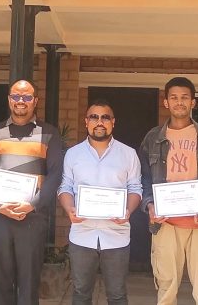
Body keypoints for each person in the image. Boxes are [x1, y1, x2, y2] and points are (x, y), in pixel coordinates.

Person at [139, 77, 198, 305]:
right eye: (174, 97)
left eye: (184, 97)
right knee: (166, 289)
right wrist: (150, 205)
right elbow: (143, 178)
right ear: (166, 102)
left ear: (193, 102)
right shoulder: (153, 138)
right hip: (166, 224)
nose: (179, 102)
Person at [0, 79, 64, 305]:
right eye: (16, 96)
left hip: (32, 219)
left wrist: (32, 204)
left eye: (26, 97)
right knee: (0, 281)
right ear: (9, 100)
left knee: (29, 283)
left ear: (35, 101)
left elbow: (55, 175)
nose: (21, 101)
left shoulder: (49, 133)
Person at [58, 99, 142, 305]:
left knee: (117, 295)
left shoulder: (128, 154)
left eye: (105, 117)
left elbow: (135, 188)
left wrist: (128, 211)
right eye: (94, 117)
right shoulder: (73, 154)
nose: (99, 122)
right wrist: (69, 209)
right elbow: (65, 187)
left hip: (116, 235)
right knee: (80, 293)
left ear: (113, 122)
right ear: (86, 121)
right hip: (82, 235)